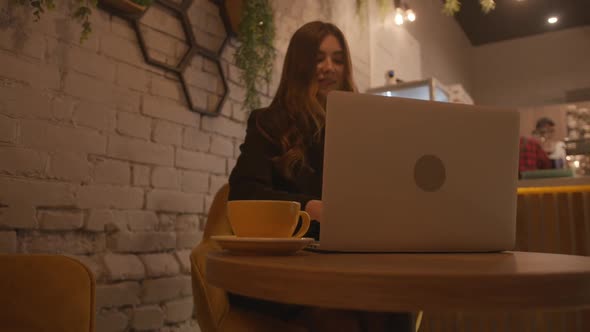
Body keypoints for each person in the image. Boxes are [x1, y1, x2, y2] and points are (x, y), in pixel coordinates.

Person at [227, 21, 413, 331]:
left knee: (392, 306)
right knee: (342, 317)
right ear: (299, 64)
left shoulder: (362, 127)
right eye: (318, 57)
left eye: (338, 59)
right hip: (285, 269)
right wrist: (309, 206)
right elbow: (244, 192)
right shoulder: (267, 122)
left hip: (348, 264)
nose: (329, 68)